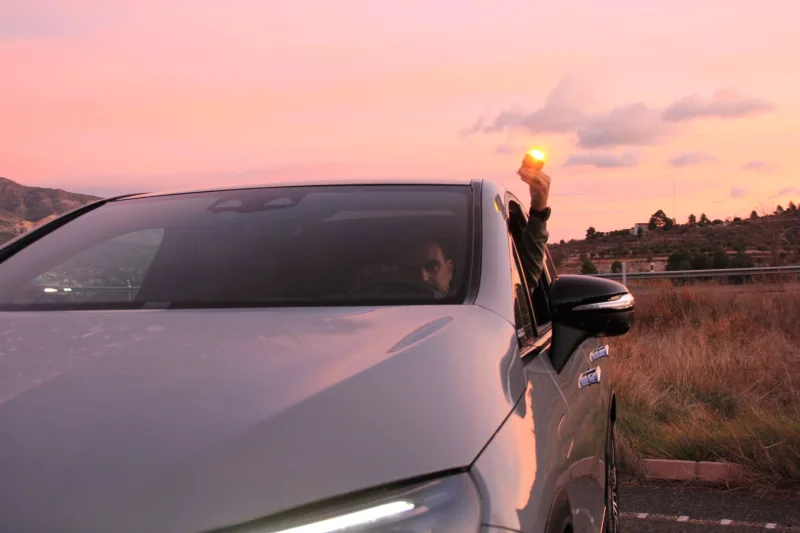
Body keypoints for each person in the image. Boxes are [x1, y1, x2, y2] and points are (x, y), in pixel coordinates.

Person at [400, 163, 552, 298]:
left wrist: (538, 212)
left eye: (432, 267)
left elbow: (521, 285)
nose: (423, 277)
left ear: (450, 269)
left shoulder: (488, 306)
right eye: (411, 271)